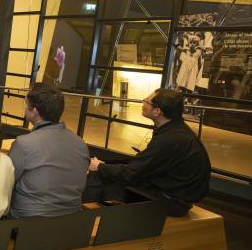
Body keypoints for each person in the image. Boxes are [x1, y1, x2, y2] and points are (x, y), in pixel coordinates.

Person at [86, 89, 211, 217]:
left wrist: (100, 167)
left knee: (106, 178)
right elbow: (143, 163)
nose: (143, 102)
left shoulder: (170, 139)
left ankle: (95, 219)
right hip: (171, 193)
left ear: (157, 111)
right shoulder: (175, 130)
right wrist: (105, 163)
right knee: (107, 172)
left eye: (146, 101)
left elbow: (131, 173)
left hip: (171, 202)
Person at [7, 83, 90, 218]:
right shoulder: (80, 144)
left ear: (34, 110)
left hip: (26, 223)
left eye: (25, 102)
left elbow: (7, 182)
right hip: (71, 220)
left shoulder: (24, 144)